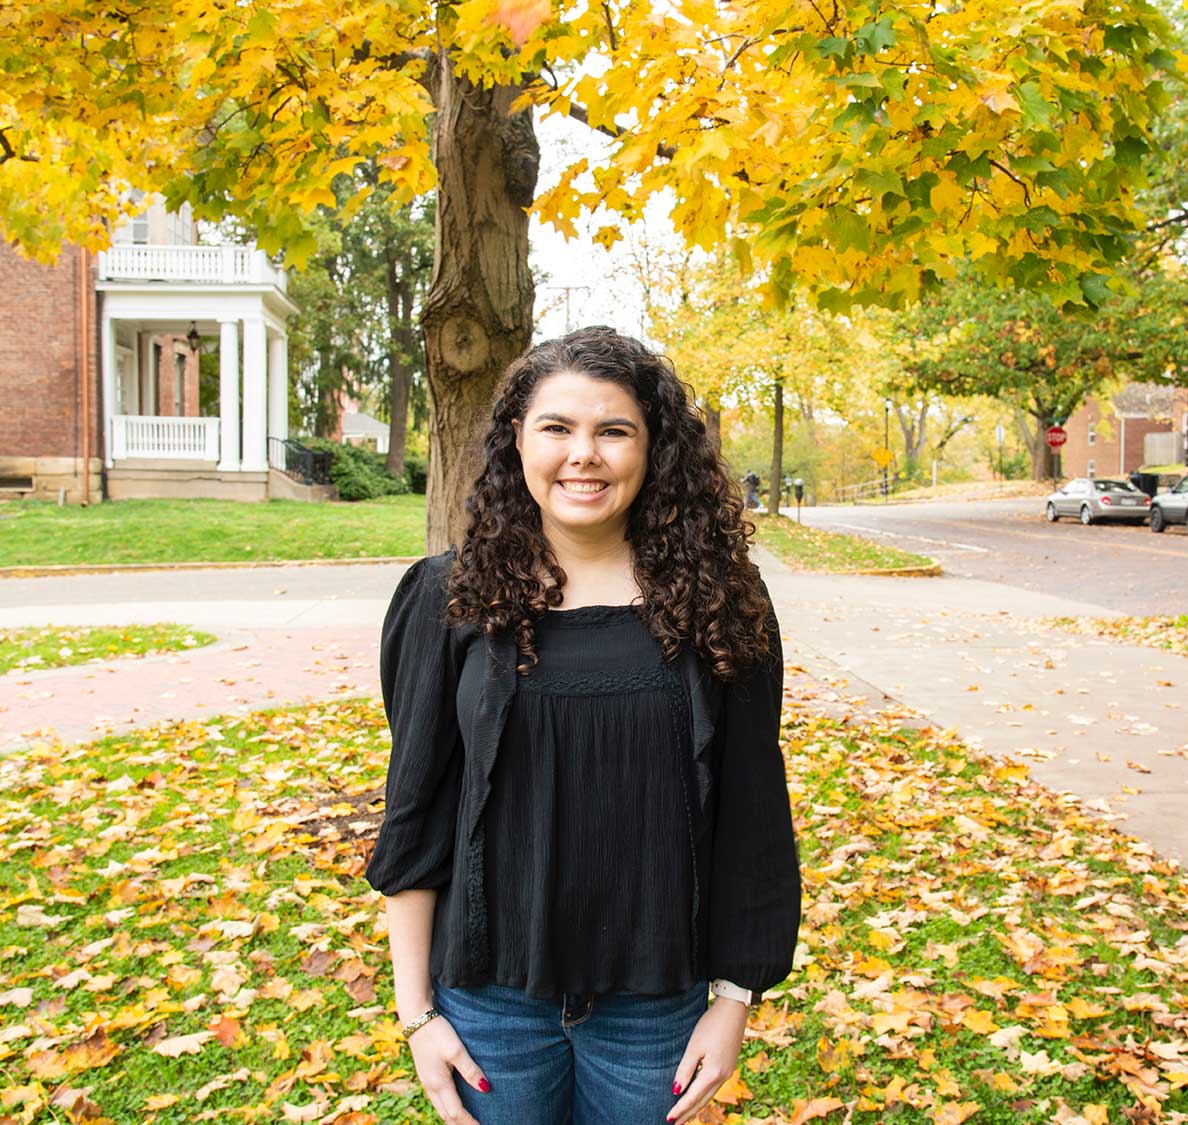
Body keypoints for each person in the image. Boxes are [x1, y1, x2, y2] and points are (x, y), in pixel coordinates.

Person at [364, 326, 801, 1125]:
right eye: (557, 428)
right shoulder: (446, 598)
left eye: (613, 431)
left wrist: (735, 997)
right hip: (488, 1003)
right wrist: (417, 1012)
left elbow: (753, 815)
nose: (584, 454)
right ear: (517, 443)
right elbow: (415, 815)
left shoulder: (722, 604)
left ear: (654, 449)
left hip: (654, 1008)